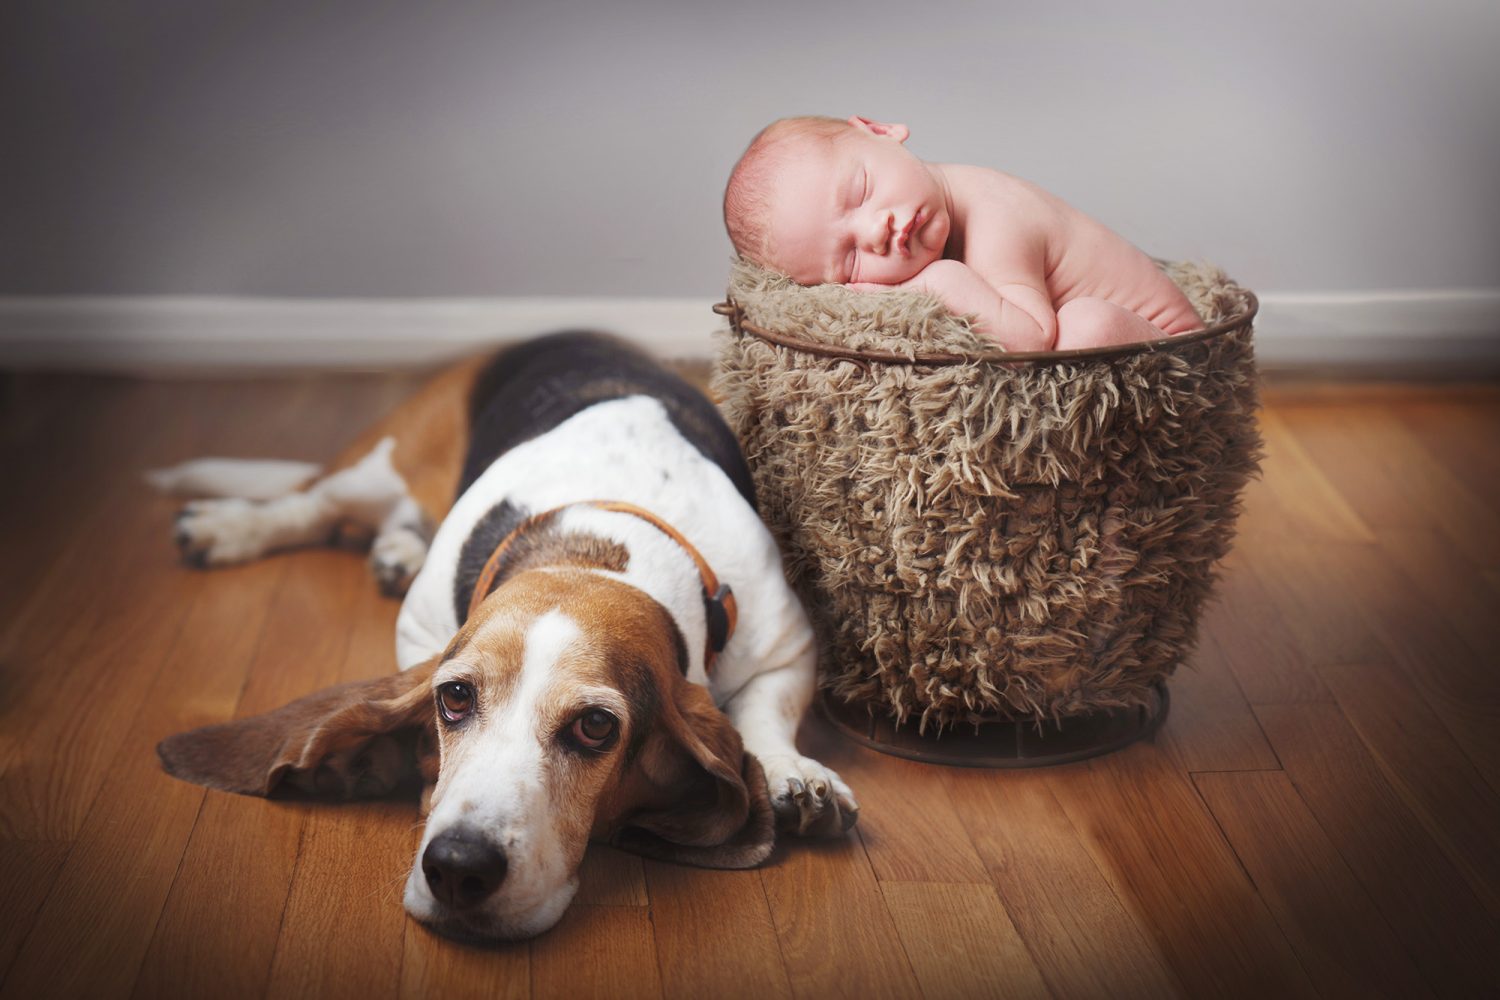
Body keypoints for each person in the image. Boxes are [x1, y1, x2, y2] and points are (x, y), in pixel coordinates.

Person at [723, 115, 1201, 351]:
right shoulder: (926, 202)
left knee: (1084, 325)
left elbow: (1034, 339)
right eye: (850, 260)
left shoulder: (995, 217)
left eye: (862, 189)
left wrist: (940, 281)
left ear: (881, 129)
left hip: (1180, 356)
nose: (875, 231)